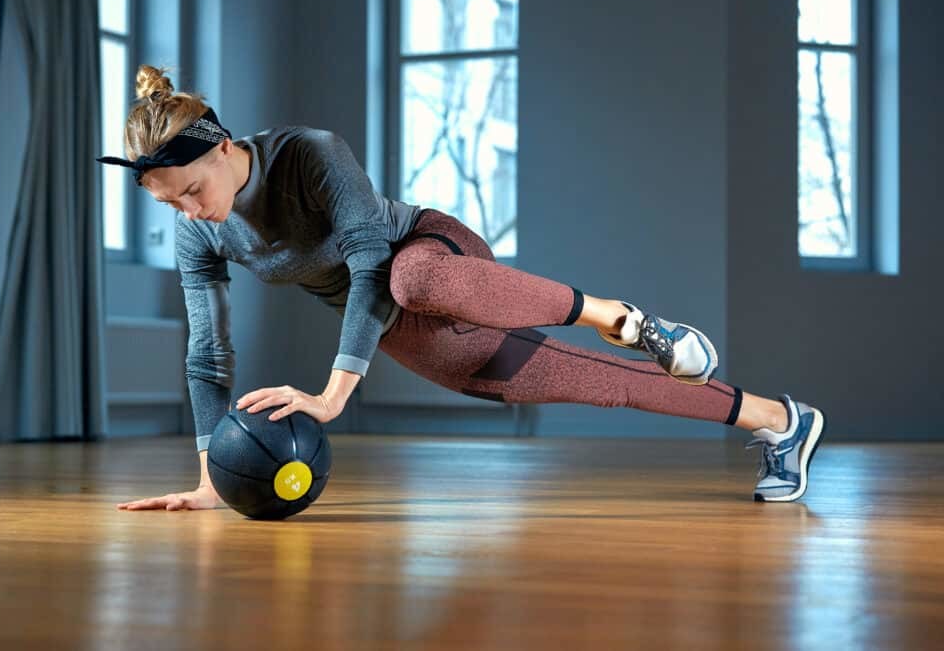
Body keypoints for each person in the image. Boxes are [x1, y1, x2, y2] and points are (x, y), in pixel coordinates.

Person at [99, 65, 825, 511]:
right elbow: (207, 353)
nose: (189, 213)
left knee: (412, 275)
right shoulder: (200, 231)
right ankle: (781, 421)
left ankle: (614, 313)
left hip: (431, 253)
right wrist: (211, 478)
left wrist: (330, 395)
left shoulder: (309, 153)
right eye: (170, 205)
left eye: (192, 190)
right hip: (395, 326)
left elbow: (369, 259)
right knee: (591, 383)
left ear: (225, 148)